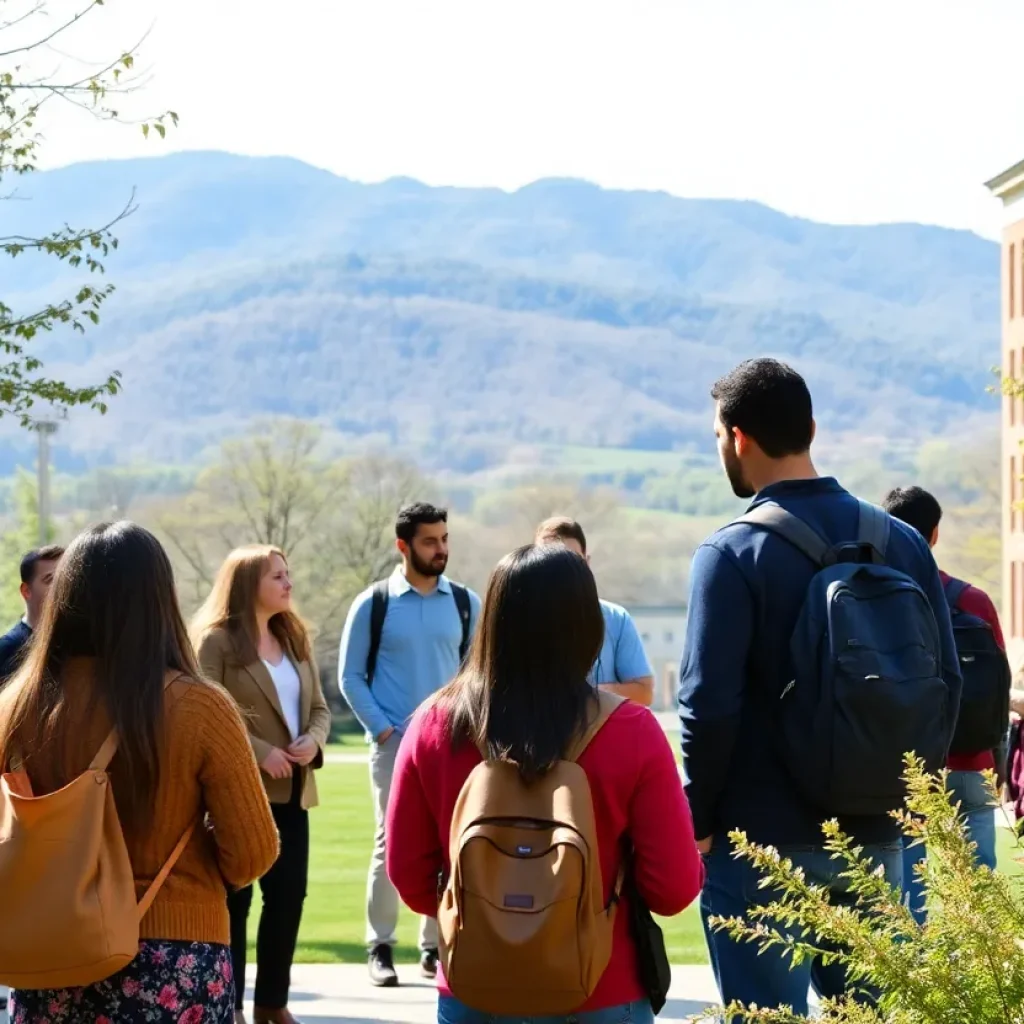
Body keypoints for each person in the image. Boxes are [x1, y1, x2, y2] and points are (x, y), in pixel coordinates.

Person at [679, 359, 960, 1016]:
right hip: (875, 838)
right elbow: (945, 683)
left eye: (718, 436)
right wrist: (911, 796)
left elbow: (708, 709)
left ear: (738, 437)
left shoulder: (729, 554)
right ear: (810, 427)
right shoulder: (902, 544)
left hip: (761, 843)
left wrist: (695, 822)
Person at [386, 543, 703, 1024]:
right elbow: (673, 890)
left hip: (476, 984)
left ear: (492, 619)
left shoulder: (432, 725)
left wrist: (495, 915)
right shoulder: (632, 731)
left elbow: (409, 878)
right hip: (602, 985)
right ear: (587, 626)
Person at [0, 522, 278, 1024]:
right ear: (159, 600)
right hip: (174, 954)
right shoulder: (198, 706)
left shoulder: (15, 706)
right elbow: (253, 851)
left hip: (45, 956)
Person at [339, 502, 481, 987]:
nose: (440, 549)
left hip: (453, 745)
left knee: (450, 842)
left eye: (444, 539)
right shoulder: (373, 604)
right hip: (394, 747)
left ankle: (434, 947)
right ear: (403, 546)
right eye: (429, 541)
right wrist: (384, 731)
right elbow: (350, 677)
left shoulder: (465, 603)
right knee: (389, 843)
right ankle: (380, 946)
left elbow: (475, 675)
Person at [193, 545, 332, 1024]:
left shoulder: (293, 638)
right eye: (278, 576)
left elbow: (319, 710)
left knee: (288, 897)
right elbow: (205, 710)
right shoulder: (216, 643)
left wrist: (313, 743)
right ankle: (227, 1006)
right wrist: (258, 752)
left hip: (293, 794)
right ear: (249, 584)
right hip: (238, 794)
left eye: (288, 574)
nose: (289, 583)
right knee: (237, 900)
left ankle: (272, 1005)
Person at [882, 485, 1011, 919]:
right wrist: (998, 762)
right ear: (935, 534)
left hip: (903, 766)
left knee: (908, 893)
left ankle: (917, 976)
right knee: (978, 894)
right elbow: (997, 688)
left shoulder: (874, 600)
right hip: (971, 762)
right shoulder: (973, 601)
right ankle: (981, 978)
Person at [534, 517, 655, 706]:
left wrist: (590, 696)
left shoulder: (616, 619)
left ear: (587, 563)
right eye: (549, 562)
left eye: (572, 561)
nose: (561, 572)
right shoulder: (517, 621)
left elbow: (644, 692)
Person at [0, 545, 64, 682]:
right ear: (26, 591)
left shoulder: (73, 644)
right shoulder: (7, 650)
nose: (61, 586)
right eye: (50, 580)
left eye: (64, 579)